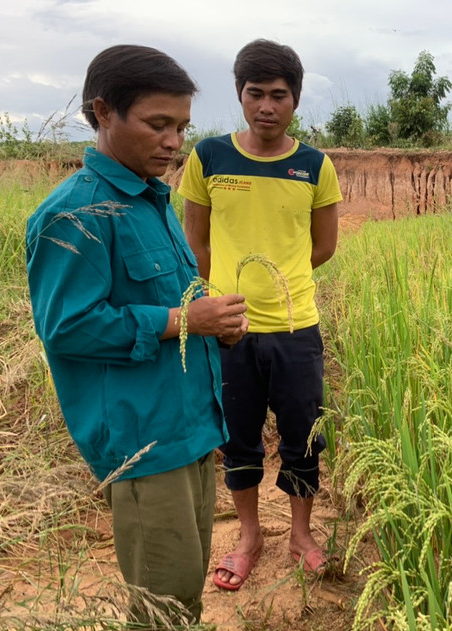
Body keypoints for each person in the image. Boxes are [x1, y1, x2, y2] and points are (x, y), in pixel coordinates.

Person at [26, 45, 248, 631]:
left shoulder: (153, 200)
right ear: (103, 112)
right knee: (164, 607)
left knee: (183, 590)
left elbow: (175, 300)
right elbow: (67, 327)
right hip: (143, 440)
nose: (174, 142)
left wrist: (214, 325)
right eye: (158, 125)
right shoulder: (74, 213)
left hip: (191, 426)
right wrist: (184, 321)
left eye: (181, 127)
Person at [178, 39, 342, 591]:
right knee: (238, 437)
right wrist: (224, 293)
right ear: (239, 94)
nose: (266, 107)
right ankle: (249, 536)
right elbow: (196, 241)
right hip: (229, 329)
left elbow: (323, 247)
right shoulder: (208, 157)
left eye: (278, 95)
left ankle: (301, 535)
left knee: (303, 435)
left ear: (295, 99)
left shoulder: (315, 166)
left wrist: (281, 280)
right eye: (255, 94)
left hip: (296, 329)